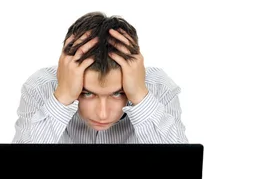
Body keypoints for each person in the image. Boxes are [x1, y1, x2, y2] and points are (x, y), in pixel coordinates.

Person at [12, 11, 188, 143]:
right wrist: (63, 96)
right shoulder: (40, 87)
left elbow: (182, 173)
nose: (103, 114)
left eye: (118, 93)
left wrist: (140, 96)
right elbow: (17, 174)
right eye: (87, 93)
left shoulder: (159, 87)